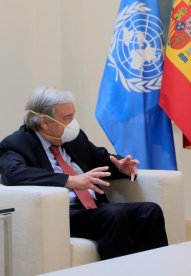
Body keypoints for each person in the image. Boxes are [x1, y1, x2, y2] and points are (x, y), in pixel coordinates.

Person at [0, 86, 168, 259]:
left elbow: (100, 158)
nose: (73, 123)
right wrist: (69, 181)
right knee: (113, 215)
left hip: (94, 209)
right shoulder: (16, 143)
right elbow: (14, 173)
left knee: (150, 211)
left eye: (73, 116)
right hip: (63, 213)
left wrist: (120, 166)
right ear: (44, 122)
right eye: (67, 118)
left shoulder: (72, 136)